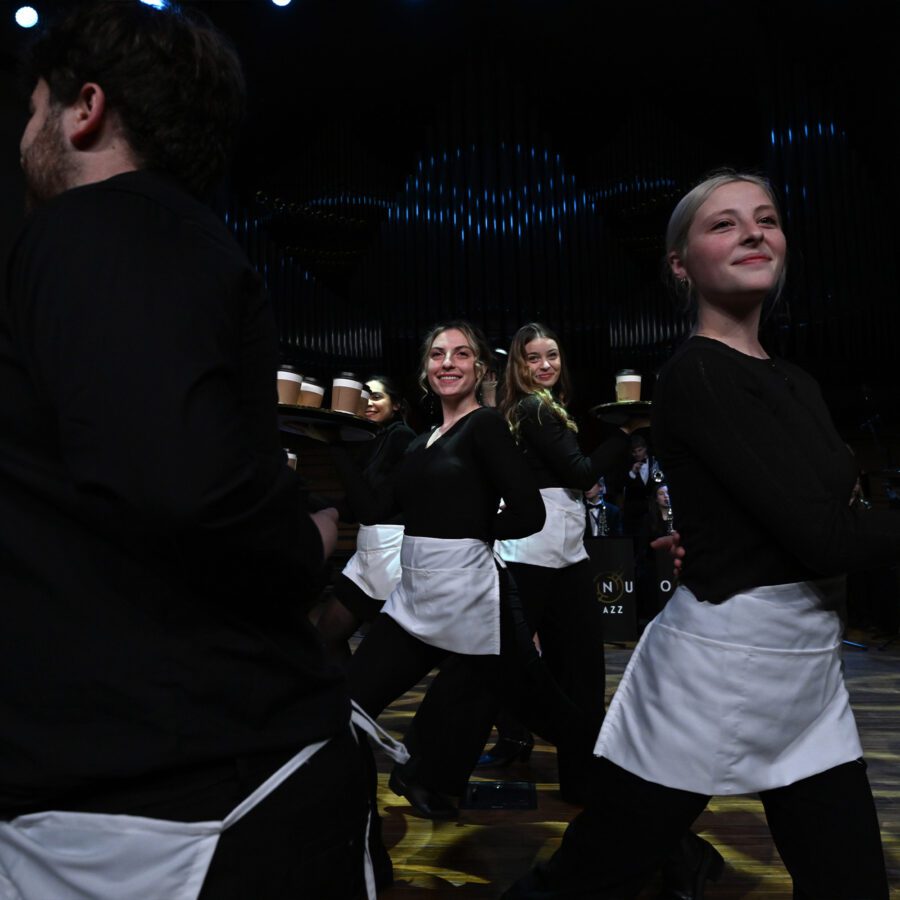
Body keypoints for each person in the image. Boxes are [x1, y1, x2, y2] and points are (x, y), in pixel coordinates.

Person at [0, 4, 374, 898]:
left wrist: (307, 541)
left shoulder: (102, 230)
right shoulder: (152, 239)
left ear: (84, 109)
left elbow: (176, 480)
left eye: (31, 110)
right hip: (164, 787)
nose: (21, 137)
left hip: (195, 807)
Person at [504, 170, 900, 899]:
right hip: (715, 675)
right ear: (680, 264)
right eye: (724, 224)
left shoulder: (799, 382)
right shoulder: (696, 374)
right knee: (590, 878)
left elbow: (825, 519)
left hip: (807, 678)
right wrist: (827, 525)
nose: (753, 231)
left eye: (767, 218)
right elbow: (827, 534)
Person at [493, 322, 641, 800]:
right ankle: (446, 761)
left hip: (563, 550)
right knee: (518, 664)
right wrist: (626, 434)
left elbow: (574, 476)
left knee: (578, 667)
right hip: (534, 550)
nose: (545, 366)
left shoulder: (545, 408)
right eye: (533, 358)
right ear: (518, 365)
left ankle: (581, 776)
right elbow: (578, 470)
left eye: (552, 355)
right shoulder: (535, 408)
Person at [315, 376, 416, 663]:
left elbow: (372, 510)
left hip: (391, 556)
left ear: (396, 405)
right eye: (364, 397)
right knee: (326, 635)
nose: (368, 403)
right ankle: (346, 701)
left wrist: (335, 446)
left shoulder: (401, 436)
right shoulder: (372, 438)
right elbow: (351, 507)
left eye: (376, 397)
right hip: (367, 555)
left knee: (387, 657)